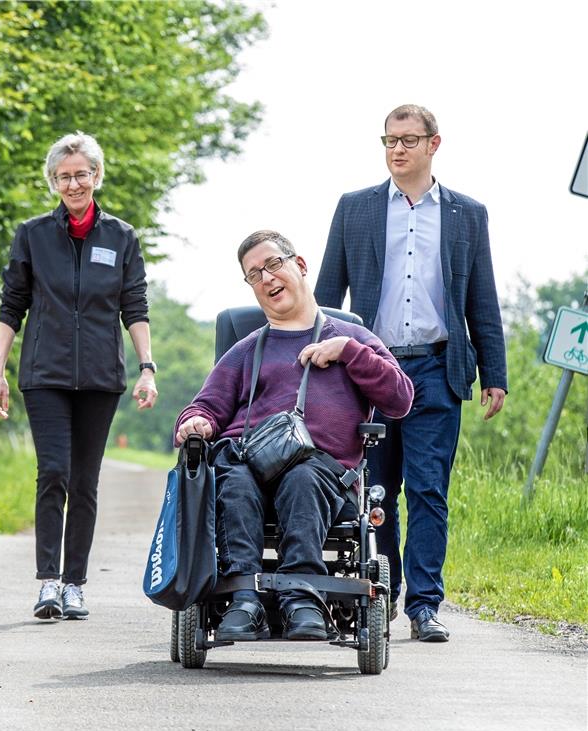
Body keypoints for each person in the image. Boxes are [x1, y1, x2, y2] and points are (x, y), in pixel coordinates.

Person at [315, 104, 508, 643]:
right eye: (389, 139)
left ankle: (426, 605)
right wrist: (311, 362)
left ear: (433, 144)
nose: (396, 149)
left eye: (407, 139)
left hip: (437, 368)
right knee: (375, 492)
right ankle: (384, 593)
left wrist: (494, 371)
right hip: (369, 370)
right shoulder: (355, 208)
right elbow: (327, 295)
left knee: (428, 491)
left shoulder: (467, 214)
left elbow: (481, 298)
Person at [175, 230, 413, 641]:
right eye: (254, 275)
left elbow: (400, 398)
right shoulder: (247, 349)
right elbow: (206, 404)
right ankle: (244, 601)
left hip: (320, 471)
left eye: (272, 265)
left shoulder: (354, 340)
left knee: (303, 475)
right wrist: (195, 421)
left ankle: (302, 598)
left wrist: (348, 353)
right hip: (249, 462)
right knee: (232, 477)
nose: (266, 279)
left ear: (299, 265)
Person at [0, 131, 159, 621]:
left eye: (81, 174)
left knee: (85, 482)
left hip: (102, 376)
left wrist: (147, 367)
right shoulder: (34, 235)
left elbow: (135, 306)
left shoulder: (121, 237)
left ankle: (75, 584)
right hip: (45, 373)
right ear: (53, 182)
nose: (73, 183)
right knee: (54, 474)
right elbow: (12, 306)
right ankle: (46, 582)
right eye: (63, 176)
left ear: (96, 175)